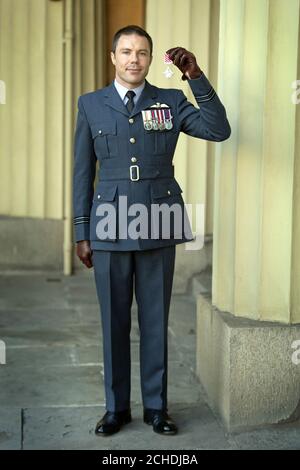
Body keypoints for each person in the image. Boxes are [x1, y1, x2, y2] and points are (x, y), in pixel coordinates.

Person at [73, 25, 230, 437]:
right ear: (113, 57)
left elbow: (218, 130)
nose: (134, 59)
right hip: (108, 224)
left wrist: (195, 76)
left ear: (150, 58)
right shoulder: (91, 105)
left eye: (142, 52)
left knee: (156, 322)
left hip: (158, 223)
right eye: (126, 51)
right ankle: (116, 409)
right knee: (114, 323)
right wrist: (81, 230)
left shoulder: (172, 100)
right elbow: (82, 172)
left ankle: (157, 408)